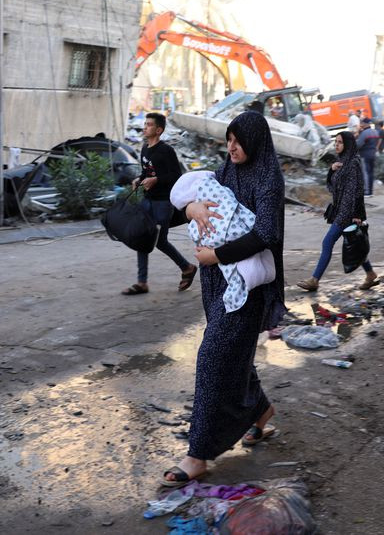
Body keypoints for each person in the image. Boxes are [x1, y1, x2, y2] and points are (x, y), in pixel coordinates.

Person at [161, 111, 285, 487]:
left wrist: (216, 256)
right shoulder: (226, 171)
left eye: (238, 140)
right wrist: (190, 209)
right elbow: (181, 207)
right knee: (235, 355)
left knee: (212, 357)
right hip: (215, 283)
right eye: (228, 139)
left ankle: (197, 454)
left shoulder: (269, 179)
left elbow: (266, 233)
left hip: (247, 286)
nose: (231, 147)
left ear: (255, 140)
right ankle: (261, 415)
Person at [123, 112, 197, 296]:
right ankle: (142, 282)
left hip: (163, 202)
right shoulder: (145, 148)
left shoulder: (166, 151)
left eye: (149, 125)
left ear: (158, 130)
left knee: (160, 241)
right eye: (145, 124)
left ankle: (187, 267)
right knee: (142, 238)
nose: (145, 127)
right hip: (147, 200)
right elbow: (147, 171)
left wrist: (156, 180)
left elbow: (175, 177)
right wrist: (139, 179)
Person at [297, 130, 378, 292]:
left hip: (347, 212)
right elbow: (331, 186)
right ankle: (370, 273)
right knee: (354, 243)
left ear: (347, 143)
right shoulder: (341, 161)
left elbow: (357, 190)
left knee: (328, 242)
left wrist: (357, 214)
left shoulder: (353, 163)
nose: (336, 145)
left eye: (340, 142)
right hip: (340, 208)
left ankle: (314, 280)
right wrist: (331, 170)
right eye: (336, 142)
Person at [356, 118, 379, 197]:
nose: (361, 124)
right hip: (373, 154)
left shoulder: (364, 133)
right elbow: (377, 143)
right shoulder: (375, 132)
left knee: (366, 173)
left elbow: (358, 145)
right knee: (371, 173)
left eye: (362, 123)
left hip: (365, 155)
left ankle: (367, 192)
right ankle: (371, 191)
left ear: (365, 124)